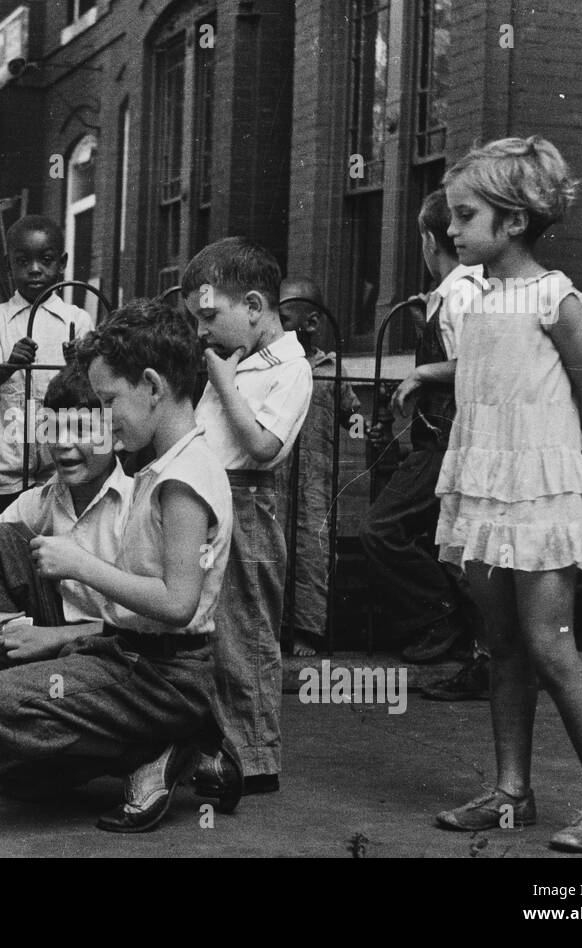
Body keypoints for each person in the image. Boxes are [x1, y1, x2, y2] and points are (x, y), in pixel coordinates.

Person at [0, 300, 238, 833]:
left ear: (154, 387)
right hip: (126, 653)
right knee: (19, 773)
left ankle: (170, 743)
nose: (103, 420)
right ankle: (161, 751)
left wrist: (81, 565)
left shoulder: (183, 480)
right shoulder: (165, 466)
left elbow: (178, 604)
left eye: (109, 401)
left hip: (166, 674)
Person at [432, 136, 582, 851]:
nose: (451, 230)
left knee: (552, 648)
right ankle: (511, 789)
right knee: (504, 646)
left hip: (545, 493)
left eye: (464, 216)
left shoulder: (557, 297)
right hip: (488, 488)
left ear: (513, 222)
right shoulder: (472, 295)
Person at [0, 361, 132, 753]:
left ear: (115, 437)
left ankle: (15, 710)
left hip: (112, 656)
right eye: (55, 429)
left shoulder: (137, 503)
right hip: (51, 647)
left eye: (83, 430)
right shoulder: (42, 499)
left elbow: (145, 629)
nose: (65, 444)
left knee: (22, 777)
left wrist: (49, 638)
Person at [182, 238, 312, 800]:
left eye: (210, 316)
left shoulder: (290, 368)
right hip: (209, 499)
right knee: (207, 627)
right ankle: (217, 750)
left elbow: (262, 446)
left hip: (249, 505)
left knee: (246, 630)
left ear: (255, 307)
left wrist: (224, 385)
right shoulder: (229, 360)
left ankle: (255, 756)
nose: (202, 331)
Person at [361, 191, 486, 666]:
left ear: (430, 240)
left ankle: (442, 619)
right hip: (441, 438)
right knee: (442, 540)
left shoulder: (461, 292)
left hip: (446, 442)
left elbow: (478, 362)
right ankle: (457, 633)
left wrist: (422, 373)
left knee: (380, 528)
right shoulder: (454, 292)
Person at [0, 215, 93, 520]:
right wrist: (9, 364)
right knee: (11, 531)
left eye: (46, 260)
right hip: (11, 451)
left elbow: (92, 387)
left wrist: (77, 365)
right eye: (23, 261)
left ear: (61, 263)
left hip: (59, 453)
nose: (35, 269)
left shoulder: (76, 319)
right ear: (9, 266)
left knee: (59, 528)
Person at [274, 277, 362, 657]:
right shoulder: (271, 366)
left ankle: (306, 630)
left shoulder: (330, 368)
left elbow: (352, 414)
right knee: (274, 547)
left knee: (313, 549)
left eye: (285, 318)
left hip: (316, 479)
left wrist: (362, 428)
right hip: (277, 475)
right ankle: (273, 626)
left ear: (311, 323)